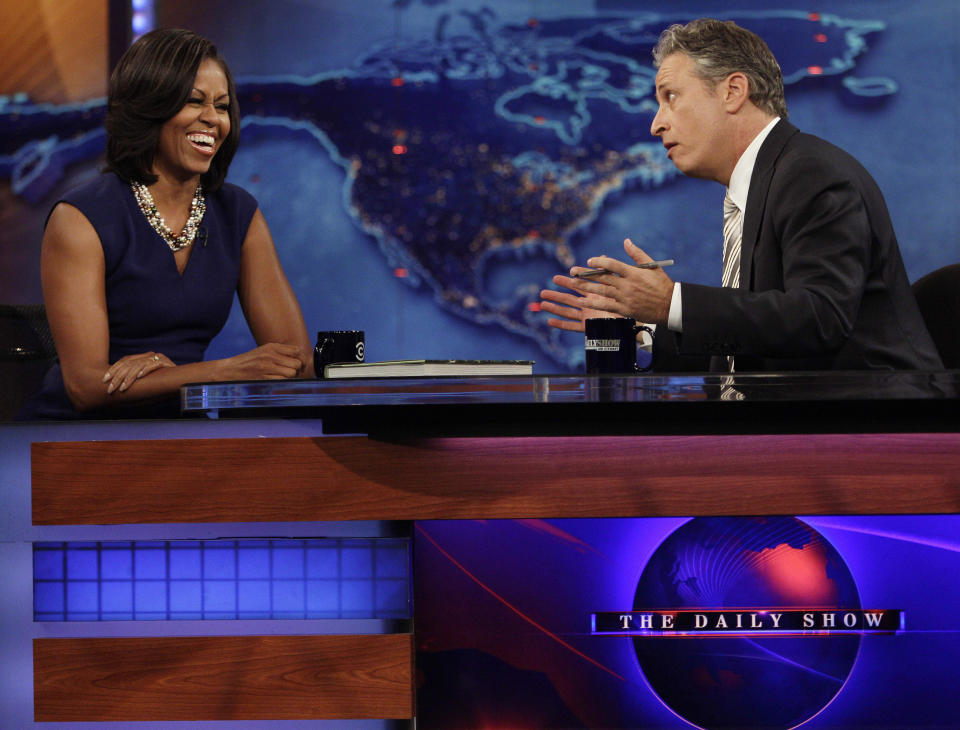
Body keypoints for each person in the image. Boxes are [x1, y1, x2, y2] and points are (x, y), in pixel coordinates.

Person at [540, 19, 942, 373]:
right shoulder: (758, 184)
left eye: (671, 97)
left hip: (874, 427)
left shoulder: (811, 175)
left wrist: (671, 303)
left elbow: (820, 319)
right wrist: (643, 329)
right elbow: (751, 349)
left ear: (733, 91)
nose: (656, 124)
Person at [21, 28, 313, 419]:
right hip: (74, 440)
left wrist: (181, 374)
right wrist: (223, 371)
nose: (213, 120)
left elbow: (295, 364)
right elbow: (87, 388)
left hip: (182, 429)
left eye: (223, 106)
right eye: (194, 102)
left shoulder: (237, 213)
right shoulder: (81, 217)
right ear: (149, 108)